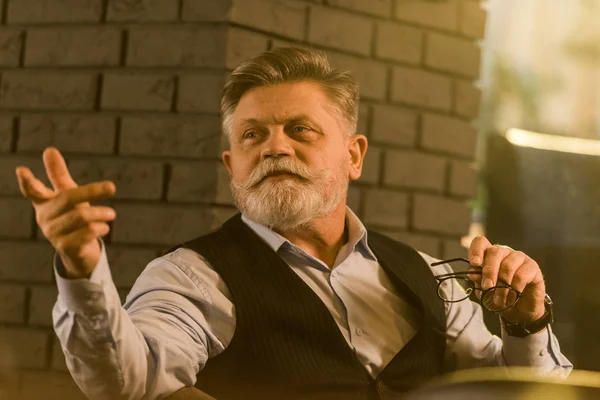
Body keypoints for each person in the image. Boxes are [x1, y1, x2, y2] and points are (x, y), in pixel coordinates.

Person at [15, 47, 572, 400]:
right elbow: (124, 382)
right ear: (233, 166)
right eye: (252, 135)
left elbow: (521, 394)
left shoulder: (429, 275)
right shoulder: (190, 278)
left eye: (300, 130)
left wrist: (525, 325)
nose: (274, 147)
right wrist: (83, 268)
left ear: (353, 155)